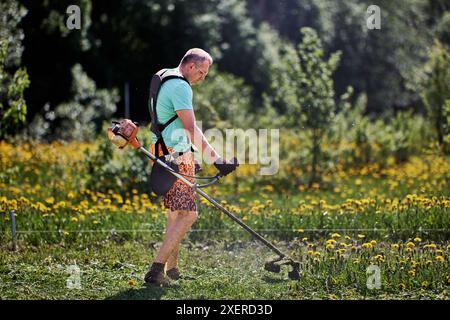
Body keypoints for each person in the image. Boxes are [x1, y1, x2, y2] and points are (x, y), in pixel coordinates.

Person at [144, 48, 239, 286]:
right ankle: (156, 271)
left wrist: (190, 154)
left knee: (176, 214)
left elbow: (166, 121)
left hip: (163, 152)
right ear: (191, 66)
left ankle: (171, 267)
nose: (202, 78)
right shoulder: (181, 86)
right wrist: (217, 160)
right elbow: (190, 128)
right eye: (202, 72)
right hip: (175, 157)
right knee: (188, 215)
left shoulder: (163, 75)